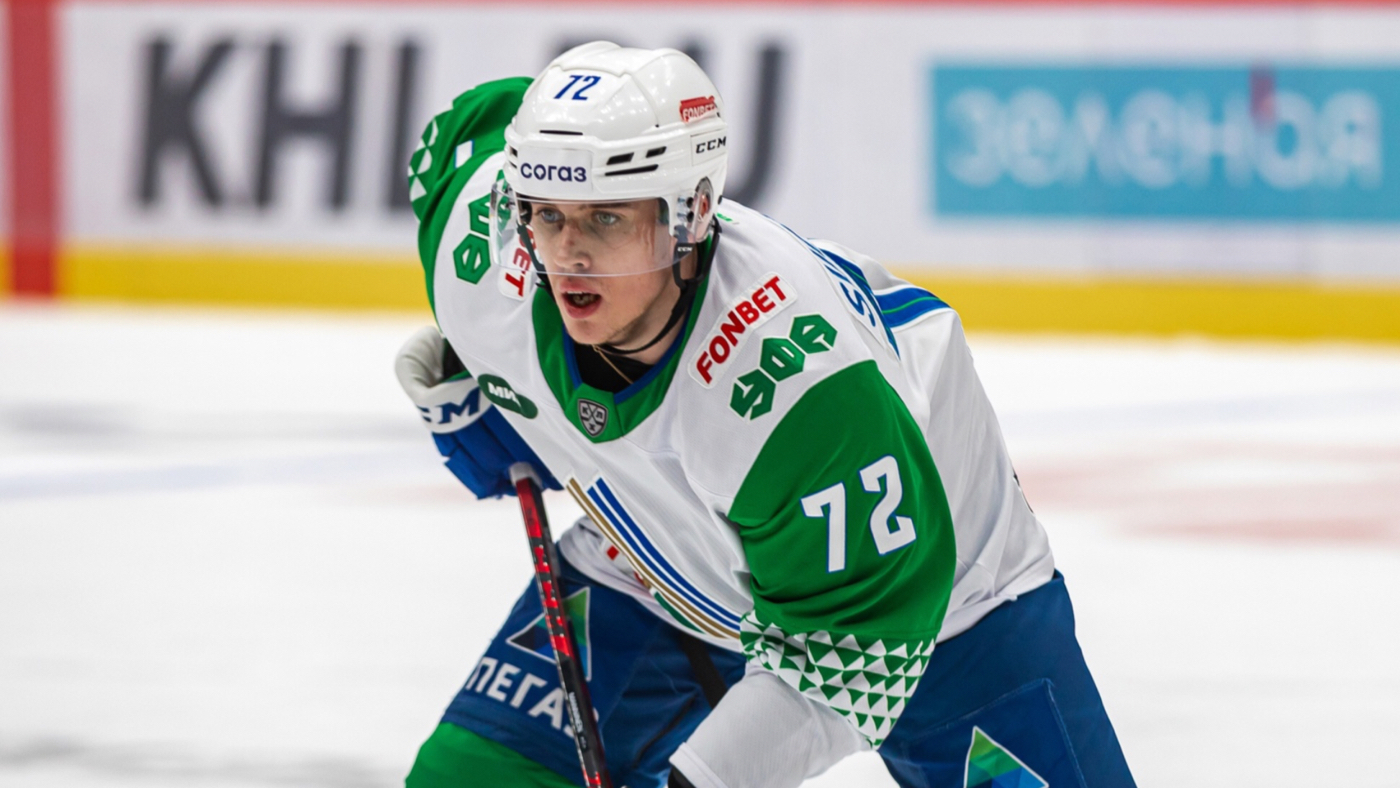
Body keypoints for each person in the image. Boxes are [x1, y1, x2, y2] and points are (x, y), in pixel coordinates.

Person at [393, 41, 1135, 788]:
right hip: (658, 565)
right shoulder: (482, 256)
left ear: (690, 215)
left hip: (937, 609)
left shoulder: (797, 384)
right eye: (548, 216)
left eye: (608, 220)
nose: (570, 256)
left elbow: (854, 648)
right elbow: (461, 135)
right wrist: (494, 380)